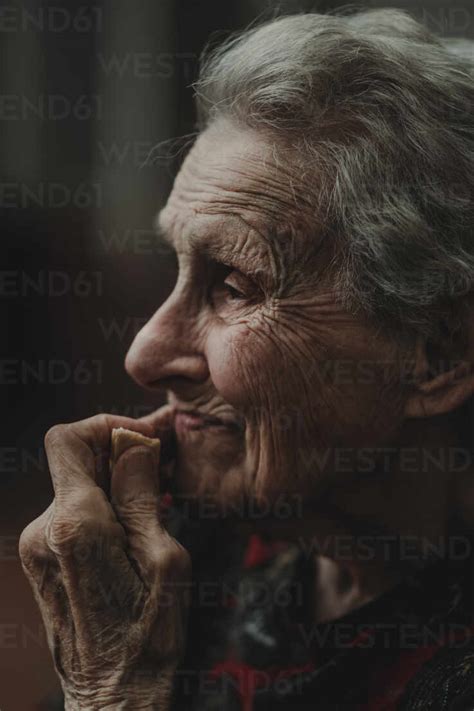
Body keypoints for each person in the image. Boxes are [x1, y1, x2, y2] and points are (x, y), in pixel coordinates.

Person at [20, 9, 474, 709]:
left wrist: (114, 692)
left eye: (233, 285)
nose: (145, 352)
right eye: (175, 267)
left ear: (439, 351)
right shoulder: (181, 560)